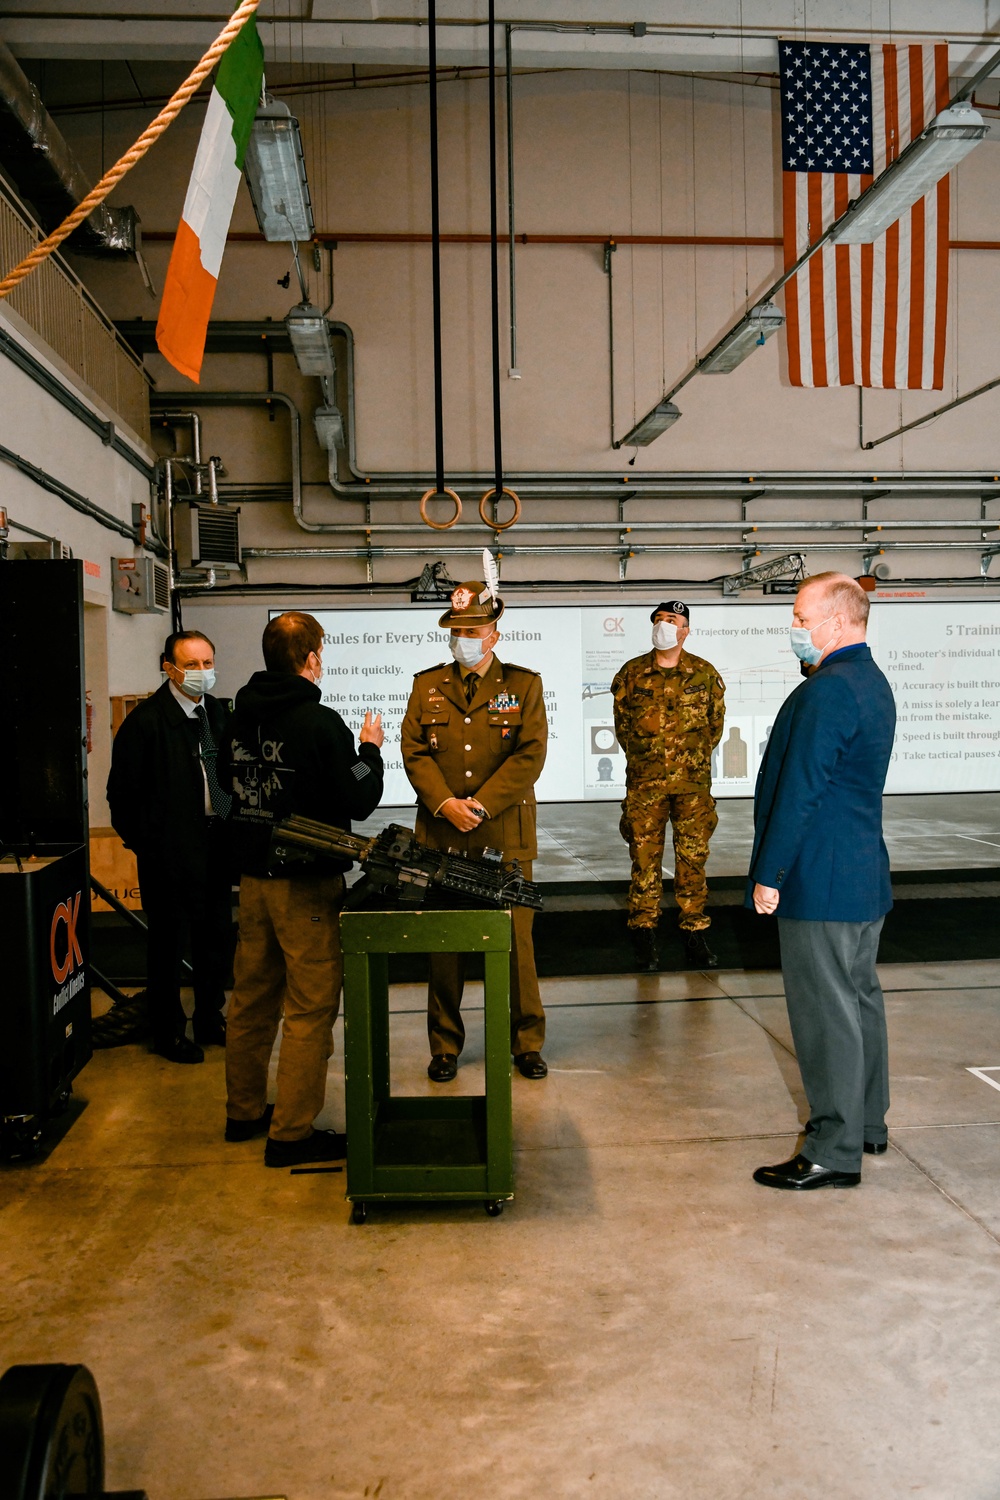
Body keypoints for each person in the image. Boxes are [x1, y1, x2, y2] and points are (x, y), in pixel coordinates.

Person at [748, 573, 896, 1191]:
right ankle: (866, 1123)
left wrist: (769, 873)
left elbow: (801, 791)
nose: (795, 628)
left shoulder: (830, 691)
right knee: (858, 999)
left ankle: (833, 1150)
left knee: (824, 1013)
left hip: (820, 879)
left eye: (802, 617)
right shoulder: (870, 681)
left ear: (837, 622)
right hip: (860, 875)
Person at [223, 611, 384, 1168]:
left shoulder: (237, 718)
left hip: (251, 879)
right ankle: (290, 1134)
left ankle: (243, 1112)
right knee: (310, 1009)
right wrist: (369, 751)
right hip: (306, 885)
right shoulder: (320, 723)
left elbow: (227, 783)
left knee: (250, 1001)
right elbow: (357, 798)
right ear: (311, 657)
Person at [400, 579, 549, 1081]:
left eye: (472, 629)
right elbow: (414, 751)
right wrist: (444, 803)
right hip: (442, 835)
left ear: (492, 633)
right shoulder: (427, 685)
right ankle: (444, 1045)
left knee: (516, 945)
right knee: (445, 945)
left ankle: (526, 1042)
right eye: (456, 629)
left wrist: (480, 805)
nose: (463, 637)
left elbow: (530, 754)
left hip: (503, 834)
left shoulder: (523, 685)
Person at [107, 630, 233, 1064]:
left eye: (207, 663)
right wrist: (150, 845)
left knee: (214, 938)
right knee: (167, 946)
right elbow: (120, 797)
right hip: (168, 854)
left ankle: (209, 1017)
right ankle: (167, 1030)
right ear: (169, 668)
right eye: (192, 664)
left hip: (214, 844)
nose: (202, 672)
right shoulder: (146, 722)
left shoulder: (215, 713)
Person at [612, 601, 726, 971]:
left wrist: (687, 763)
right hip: (645, 786)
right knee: (644, 860)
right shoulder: (632, 674)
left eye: (672, 620)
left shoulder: (704, 675)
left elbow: (714, 728)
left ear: (685, 629)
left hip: (692, 787)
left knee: (692, 859)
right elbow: (624, 729)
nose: (663, 625)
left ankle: (694, 929)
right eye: (659, 620)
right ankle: (643, 930)